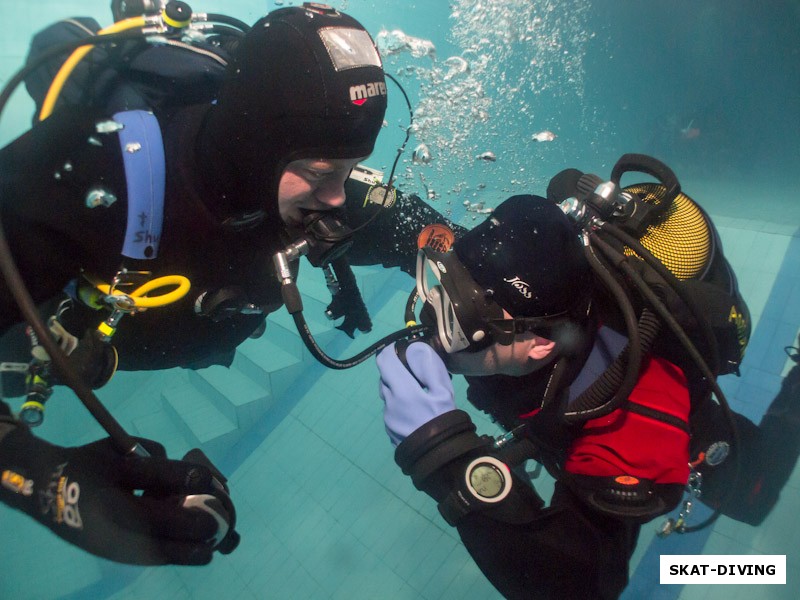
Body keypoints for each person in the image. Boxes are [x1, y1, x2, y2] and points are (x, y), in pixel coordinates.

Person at [0, 3, 452, 566]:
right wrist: (37, 479)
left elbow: (422, 229)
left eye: (350, 167)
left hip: (176, 335)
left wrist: (486, 269)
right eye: (319, 173)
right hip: (71, 337)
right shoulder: (87, 173)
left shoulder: (305, 186)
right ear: (255, 145)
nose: (337, 198)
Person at [376, 191, 800, 599]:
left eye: (459, 318)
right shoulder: (504, 290)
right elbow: (409, 228)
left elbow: (579, 587)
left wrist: (443, 457)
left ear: (540, 343)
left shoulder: (629, 423)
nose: (433, 317)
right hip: (560, 420)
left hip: (667, 434)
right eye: (439, 286)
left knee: (753, 499)